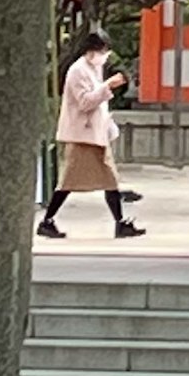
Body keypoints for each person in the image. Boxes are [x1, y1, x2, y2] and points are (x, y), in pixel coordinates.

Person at [38, 30, 145, 241]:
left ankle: (120, 223)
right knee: (68, 182)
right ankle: (47, 221)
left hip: (95, 135)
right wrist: (108, 86)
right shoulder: (78, 71)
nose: (104, 56)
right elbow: (86, 102)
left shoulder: (92, 69)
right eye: (103, 51)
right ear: (92, 51)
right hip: (82, 135)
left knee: (109, 180)